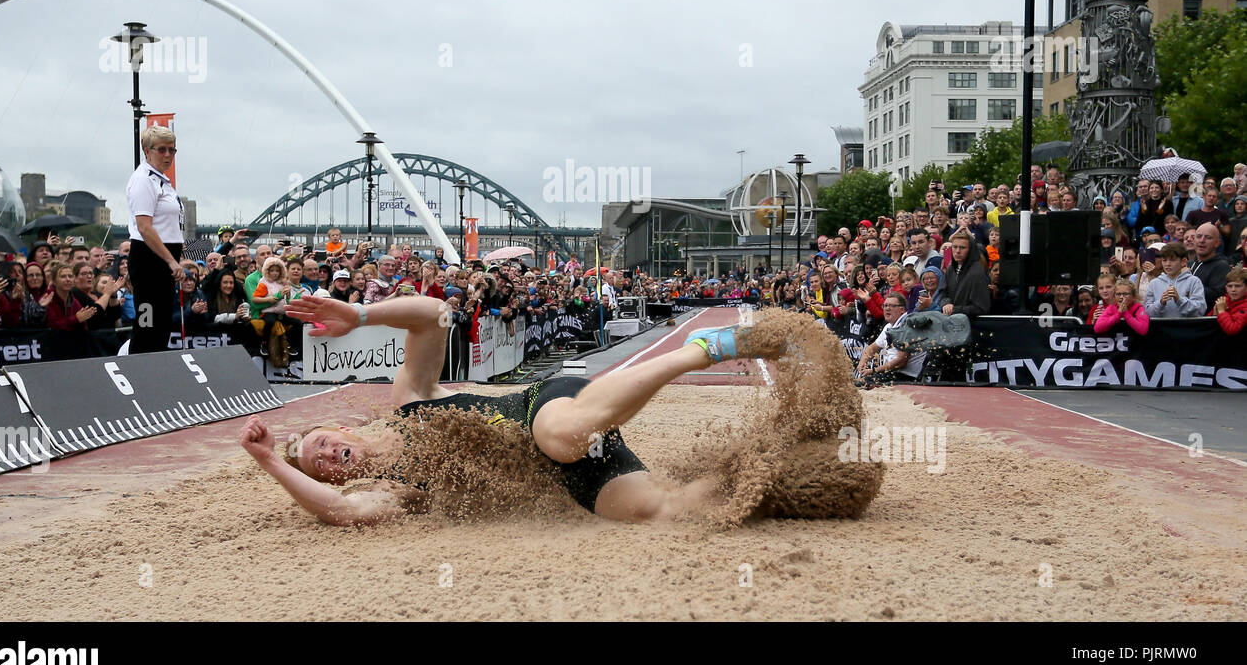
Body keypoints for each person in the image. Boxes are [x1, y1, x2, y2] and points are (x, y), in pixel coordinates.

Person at [241, 294, 752, 524]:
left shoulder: (410, 404)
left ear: (340, 429)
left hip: (546, 409)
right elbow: (341, 512)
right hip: (566, 476)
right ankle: (769, 475)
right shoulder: (391, 491)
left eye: (324, 443)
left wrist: (361, 313)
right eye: (320, 465)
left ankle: (699, 349)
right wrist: (271, 462)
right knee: (658, 511)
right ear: (330, 479)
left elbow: (435, 316)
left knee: (561, 436)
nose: (329, 455)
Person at [127, 125, 185, 352]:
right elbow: (144, 227)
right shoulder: (143, 180)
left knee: (161, 325)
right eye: (162, 150)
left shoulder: (162, 181)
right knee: (147, 323)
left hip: (163, 260)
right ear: (147, 150)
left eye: (172, 150)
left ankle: (154, 373)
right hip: (148, 259)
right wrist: (170, 260)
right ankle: (137, 374)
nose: (168, 155)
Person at [855, 293, 926, 386]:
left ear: (902, 310)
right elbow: (872, 348)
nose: (887, 308)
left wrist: (873, 370)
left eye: (892, 306)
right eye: (885, 305)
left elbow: (901, 362)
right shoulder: (889, 326)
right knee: (857, 382)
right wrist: (862, 364)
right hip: (892, 373)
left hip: (906, 376)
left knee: (862, 384)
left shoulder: (906, 326)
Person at [1144, 242, 1206, 319]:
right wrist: (1160, 303)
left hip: (1187, 329)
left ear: (1183, 262)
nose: (1167, 264)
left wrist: (1179, 300)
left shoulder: (1194, 281)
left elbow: (1200, 310)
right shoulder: (1154, 283)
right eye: (1164, 260)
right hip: (1161, 329)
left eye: (1172, 260)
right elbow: (1147, 312)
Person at [1188, 222, 1232, 308]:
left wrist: (1187, 287)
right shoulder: (1189, 264)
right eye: (1199, 236)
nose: (1202, 240)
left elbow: (1216, 296)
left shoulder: (1222, 266)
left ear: (1217, 243)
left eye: (1208, 237)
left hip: (1206, 319)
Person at [1213, 269, 1247, 335]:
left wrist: (1222, 311)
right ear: (1226, 288)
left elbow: (1232, 329)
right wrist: (1214, 315)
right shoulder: (1224, 301)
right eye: (1230, 286)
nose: (1233, 289)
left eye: (1238, 286)